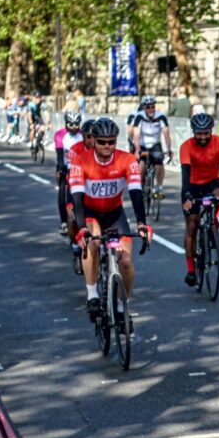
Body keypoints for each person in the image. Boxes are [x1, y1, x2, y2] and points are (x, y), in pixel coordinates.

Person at [69, 118, 152, 329]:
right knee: (93, 241)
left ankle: (122, 307)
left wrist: (142, 224)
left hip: (115, 213)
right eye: (102, 142)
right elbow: (77, 199)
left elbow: (136, 193)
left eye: (111, 142)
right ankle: (92, 294)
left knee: (126, 262)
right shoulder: (81, 161)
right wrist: (82, 229)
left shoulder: (127, 160)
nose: (107, 146)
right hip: (90, 212)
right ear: (93, 141)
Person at [179, 113, 219, 287]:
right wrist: (187, 195)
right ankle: (191, 269)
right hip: (192, 185)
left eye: (206, 133)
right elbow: (185, 174)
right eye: (199, 133)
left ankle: (215, 233)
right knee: (192, 225)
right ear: (193, 132)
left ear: (211, 131)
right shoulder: (186, 146)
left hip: (212, 183)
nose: (202, 137)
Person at [132, 95, 173, 198]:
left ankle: (159, 186)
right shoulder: (139, 116)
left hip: (155, 144)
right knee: (141, 165)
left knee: (159, 163)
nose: (151, 109)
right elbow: (136, 135)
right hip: (142, 144)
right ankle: (139, 187)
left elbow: (166, 134)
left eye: (153, 106)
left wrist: (169, 149)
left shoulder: (161, 117)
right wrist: (137, 149)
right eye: (148, 107)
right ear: (144, 108)